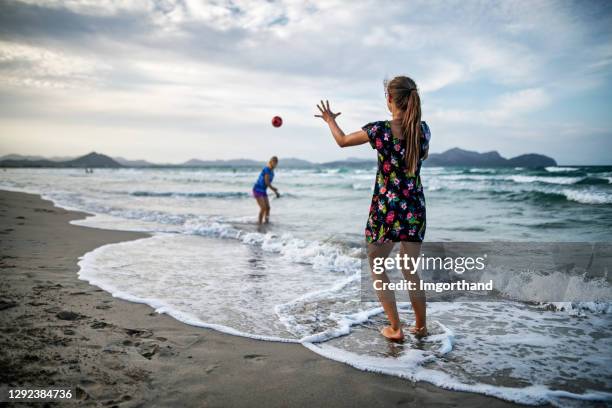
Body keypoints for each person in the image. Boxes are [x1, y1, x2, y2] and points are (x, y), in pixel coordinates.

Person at [315, 76, 431, 341]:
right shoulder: (423, 130)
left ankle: (396, 328)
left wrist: (330, 120)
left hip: (386, 207)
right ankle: (421, 326)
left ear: (390, 99)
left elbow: (342, 141)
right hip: (414, 207)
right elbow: (421, 156)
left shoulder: (379, 130)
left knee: (377, 264)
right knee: (410, 268)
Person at [253, 156, 280, 225]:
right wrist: (274, 190)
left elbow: (268, 183)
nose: (275, 164)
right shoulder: (267, 169)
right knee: (263, 208)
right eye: (273, 162)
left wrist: (275, 191)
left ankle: (266, 222)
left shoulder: (272, 172)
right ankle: (259, 223)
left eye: (276, 162)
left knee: (268, 208)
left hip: (263, 191)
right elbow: (266, 182)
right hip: (257, 189)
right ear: (270, 162)